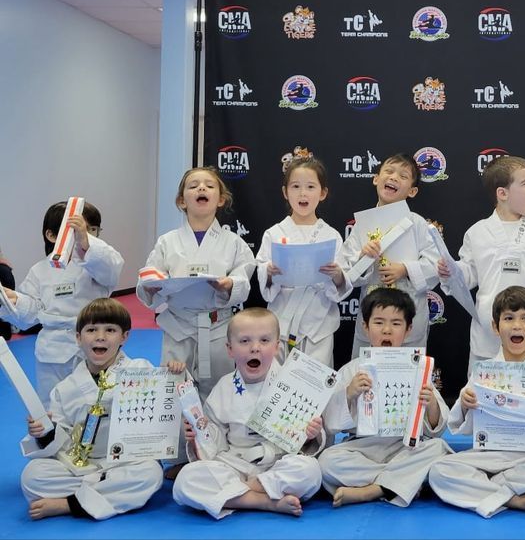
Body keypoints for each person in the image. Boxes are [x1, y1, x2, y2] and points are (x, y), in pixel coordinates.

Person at [428, 286, 525, 518]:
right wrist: (465, 404)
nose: (517, 325)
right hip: (485, 454)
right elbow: (460, 425)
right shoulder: (484, 372)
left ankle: (485, 487)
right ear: (496, 327)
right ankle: (515, 500)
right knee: (440, 471)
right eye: (508, 318)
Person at [172, 308, 324, 519]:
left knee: (310, 470)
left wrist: (312, 433)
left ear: (277, 346)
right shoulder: (224, 387)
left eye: (264, 340)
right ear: (230, 349)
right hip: (234, 463)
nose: (255, 348)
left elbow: (307, 444)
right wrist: (200, 431)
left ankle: (239, 493)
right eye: (244, 341)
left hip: (277, 463)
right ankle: (264, 501)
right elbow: (215, 442)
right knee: (186, 480)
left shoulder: (294, 384)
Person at [20, 298, 162, 520]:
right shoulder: (64, 389)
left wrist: (174, 373)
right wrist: (47, 431)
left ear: (124, 336)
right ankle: (106, 490)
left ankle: (70, 504)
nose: (100, 336)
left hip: (127, 461)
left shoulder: (141, 371)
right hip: (83, 465)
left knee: (150, 474)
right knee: (32, 476)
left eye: (110, 330)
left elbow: (160, 413)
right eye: (92, 329)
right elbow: (64, 440)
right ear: (78, 338)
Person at [438, 156, 525, 374]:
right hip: (488, 337)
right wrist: (450, 271)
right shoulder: (477, 232)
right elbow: (469, 275)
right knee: (484, 401)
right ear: (502, 193)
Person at [318, 289, 451, 507]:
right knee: (326, 463)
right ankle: (399, 483)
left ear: (408, 329)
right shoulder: (352, 369)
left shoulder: (419, 367)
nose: (387, 330)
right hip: (362, 448)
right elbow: (331, 425)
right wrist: (349, 393)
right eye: (379, 322)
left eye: (396, 324)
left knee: (438, 449)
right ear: (366, 327)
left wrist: (432, 404)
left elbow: (436, 427)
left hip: (405, 445)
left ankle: (372, 489)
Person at [137, 167, 255, 400]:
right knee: (172, 391)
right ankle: (177, 437)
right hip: (178, 327)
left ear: (220, 199)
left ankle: (217, 435)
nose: (201, 188)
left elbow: (244, 276)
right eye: (193, 186)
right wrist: (151, 286)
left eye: (209, 186)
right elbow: (150, 275)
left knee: (220, 393)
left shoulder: (233, 242)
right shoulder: (167, 242)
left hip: (218, 328)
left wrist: (229, 284)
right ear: (182, 201)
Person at [1, 201, 123, 405]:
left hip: (95, 343)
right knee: (53, 403)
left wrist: (86, 242)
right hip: (53, 351)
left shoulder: (96, 264)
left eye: (92, 230)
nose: (85, 234)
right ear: (51, 235)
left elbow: (111, 268)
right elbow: (31, 314)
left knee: (99, 403)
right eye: (76, 229)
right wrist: (16, 300)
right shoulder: (39, 270)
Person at [342, 153, 440, 356]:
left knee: (406, 382)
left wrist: (405, 269)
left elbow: (436, 264)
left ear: (412, 191)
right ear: (376, 178)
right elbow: (346, 271)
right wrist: (363, 257)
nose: (394, 177)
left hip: (407, 322)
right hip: (372, 320)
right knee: (365, 380)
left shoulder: (418, 223)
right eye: (388, 171)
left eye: (403, 176)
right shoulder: (363, 224)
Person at [257, 157, 351, 368]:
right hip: (281, 322)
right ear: (285, 192)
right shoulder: (274, 233)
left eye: (310, 187)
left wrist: (337, 274)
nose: (303, 193)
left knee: (314, 387)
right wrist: (269, 272)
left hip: (318, 324)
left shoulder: (331, 235)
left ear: (323, 193)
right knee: (276, 384)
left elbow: (342, 282)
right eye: (296, 186)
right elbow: (263, 274)